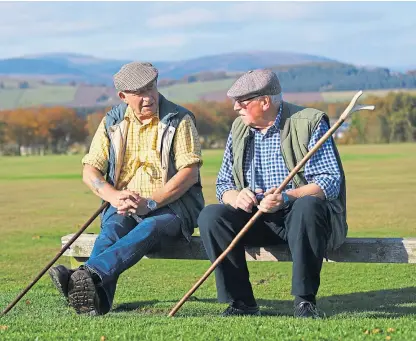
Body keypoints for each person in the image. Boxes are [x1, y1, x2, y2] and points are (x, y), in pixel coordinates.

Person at [49, 62, 205, 315]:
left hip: (172, 207)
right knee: (111, 230)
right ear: (123, 96)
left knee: (150, 226)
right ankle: (95, 303)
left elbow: (189, 173)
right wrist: (114, 196)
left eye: (151, 88)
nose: (149, 97)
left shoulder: (179, 119)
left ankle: (85, 274)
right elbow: (90, 171)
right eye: (139, 93)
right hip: (123, 205)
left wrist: (150, 203)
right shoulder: (112, 120)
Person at [198, 69, 347, 318]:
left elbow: (330, 181)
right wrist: (237, 197)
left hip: (298, 217)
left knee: (308, 207)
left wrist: (287, 196)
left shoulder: (308, 122)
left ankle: (305, 302)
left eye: (242, 102)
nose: (236, 108)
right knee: (211, 216)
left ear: (265, 102)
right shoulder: (238, 128)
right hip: (254, 216)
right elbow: (223, 184)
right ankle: (241, 302)